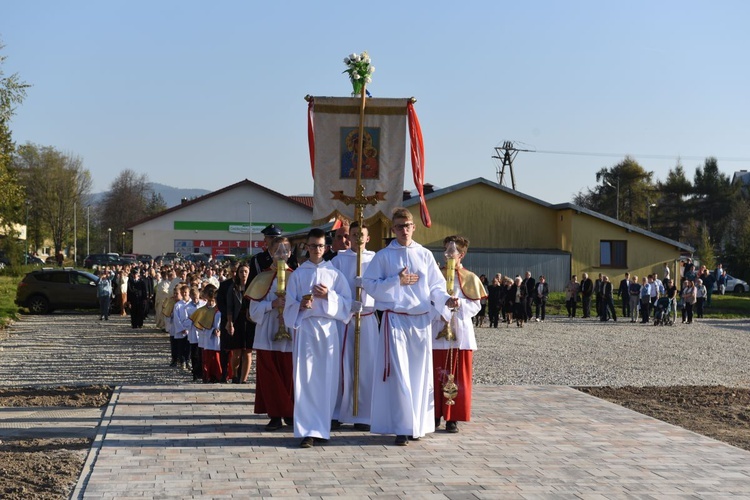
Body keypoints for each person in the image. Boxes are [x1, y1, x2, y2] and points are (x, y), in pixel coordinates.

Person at [362, 208, 455, 446]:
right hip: (396, 319)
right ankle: (401, 427)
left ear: (414, 227)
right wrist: (397, 281)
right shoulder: (383, 256)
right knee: (400, 373)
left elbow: (436, 285)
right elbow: (370, 285)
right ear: (393, 229)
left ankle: (416, 425)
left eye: (408, 225)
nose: (404, 230)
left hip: (420, 319)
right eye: (400, 226)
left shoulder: (423, 254)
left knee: (419, 374)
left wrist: (446, 300)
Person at [283, 228, 352, 448]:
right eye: (312, 246)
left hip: (328, 328)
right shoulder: (298, 274)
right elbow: (288, 306)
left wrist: (328, 296)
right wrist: (300, 306)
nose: (316, 249)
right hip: (305, 328)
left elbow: (347, 305)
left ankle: (322, 426)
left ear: (326, 247)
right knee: (306, 379)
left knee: (327, 379)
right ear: (307, 247)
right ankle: (307, 431)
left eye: (320, 246)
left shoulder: (334, 274)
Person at [431, 235, 483, 434]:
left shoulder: (470, 277)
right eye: (445, 250)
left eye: (451, 250)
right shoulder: (436, 276)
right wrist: (441, 312)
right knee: (436, 373)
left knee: (457, 376)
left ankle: (453, 417)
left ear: (461, 254)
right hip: (438, 329)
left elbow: (476, 305)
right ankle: (435, 413)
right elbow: (429, 300)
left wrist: (459, 304)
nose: (447, 254)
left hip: (460, 334)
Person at [331, 222, 377, 431]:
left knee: (367, 366)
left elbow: (384, 287)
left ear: (368, 238)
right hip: (345, 320)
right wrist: (347, 304)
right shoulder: (339, 260)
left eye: (362, 235)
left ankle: (364, 414)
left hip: (366, 318)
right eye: (355, 235)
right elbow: (331, 290)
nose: (358, 239)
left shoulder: (375, 259)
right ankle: (337, 411)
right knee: (342, 365)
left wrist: (368, 289)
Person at [248, 236, 295, 431]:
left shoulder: (298, 276)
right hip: (267, 333)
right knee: (270, 375)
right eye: (277, 250)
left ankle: (291, 412)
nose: (281, 254)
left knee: (289, 373)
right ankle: (275, 414)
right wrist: (272, 305)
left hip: (291, 332)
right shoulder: (261, 278)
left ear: (290, 253)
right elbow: (253, 310)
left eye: (285, 250)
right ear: (270, 252)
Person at [226, 262, 253, 384]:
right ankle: (235, 374)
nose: (243, 274)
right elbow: (229, 307)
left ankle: (244, 378)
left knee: (247, 351)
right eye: (241, 272)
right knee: (236, 352)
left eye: (245, 272)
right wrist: (230, 323)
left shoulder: (253, 287)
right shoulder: (233, 288)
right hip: (237, 321)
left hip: (250, 321)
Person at [191, 284, 223, 383]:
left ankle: (218, 376)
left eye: (213, 300)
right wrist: (211, 330)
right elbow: (199, 327)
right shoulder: (202, 310)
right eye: (209, 300)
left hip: (217, 340)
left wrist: (220, 330)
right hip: (206, 339)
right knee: (207, 359)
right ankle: (207, 376)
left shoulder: (219, 310)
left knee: (216, 359)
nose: (211, 302)